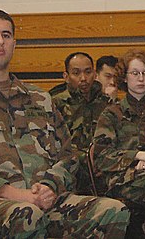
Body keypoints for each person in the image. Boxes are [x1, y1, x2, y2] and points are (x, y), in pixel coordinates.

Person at [0, 9, 129, 238]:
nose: (0, 41)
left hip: (47, 200)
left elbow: (68, 154)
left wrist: (50, 186)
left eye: (6, 35)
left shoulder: (39, 99)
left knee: (114, 211)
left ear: (14, 45)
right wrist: (13, 193)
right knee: (27, 215)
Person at [93, 49, 145, 235]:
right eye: (134, 73)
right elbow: (101, 156)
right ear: (124, 77)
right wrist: (138, 157)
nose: (140, 79)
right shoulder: (111, 114)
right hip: (121, 181)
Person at [50, 51, 112, 193]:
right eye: (76, 73)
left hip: (103, 169)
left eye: (88, 72)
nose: (83, 78)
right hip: (69, 171)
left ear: (95, 74)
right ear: (66, 76)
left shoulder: (106, 104)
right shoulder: (54, 104)